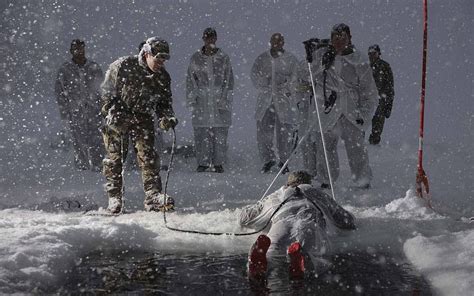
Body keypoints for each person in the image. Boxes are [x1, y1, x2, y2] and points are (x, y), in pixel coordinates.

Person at [100, 37, 178, 214]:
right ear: (147, 53)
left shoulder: (162, 77)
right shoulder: (122, 66)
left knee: (148, 156)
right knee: (115, 157)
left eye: (164, 60)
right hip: (119, 115)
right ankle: (114, 197)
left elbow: (164, 103)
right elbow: (106, 90)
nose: (160, 63)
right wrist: (109, 108)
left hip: (142, 117)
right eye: (158, 59)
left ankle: (153, 195)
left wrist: (167, 117)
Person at [239, 171, 356, 279]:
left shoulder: (276, 194)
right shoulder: (315, 191)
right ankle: (301, 261)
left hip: (281, 223)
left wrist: (248, 208)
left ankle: (261, 264)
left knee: (271, 255)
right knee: (319, 258)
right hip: (308, 223)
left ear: (288, 183)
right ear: (308, 182)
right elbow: (346, 221)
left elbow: (245, 219)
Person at [302, 24, 377, 189]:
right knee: (325, 148)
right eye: (335, 38)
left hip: (351, 112)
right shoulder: (321, 55)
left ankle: (362, 181)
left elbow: (369, 92)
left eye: (343, 37)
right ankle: (325, 180)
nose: (339, 41)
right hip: (327, 110)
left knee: (356, 148)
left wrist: (364, 114)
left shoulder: (359, 60)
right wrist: (318, 61)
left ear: (350, 38)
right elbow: (306, 77)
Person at [186, 27, 234, 173]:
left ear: (216, 38)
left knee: (220, 132)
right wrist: (192, 97)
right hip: (202, 99)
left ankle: (218, 162)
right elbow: (190, 79)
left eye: (212, 37)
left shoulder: (223, 57)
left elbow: (229, 79)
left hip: (219, 97)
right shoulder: (195, 58)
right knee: (201, 131)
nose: (210, 40)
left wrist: (225, 97)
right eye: (207, 37)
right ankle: (203, 162)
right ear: (203, 39)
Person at [251, 33, 299, 174]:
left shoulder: (290, 59)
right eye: (274, 40)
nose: (277, 43)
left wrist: (285, 85)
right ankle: (268, 160)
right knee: (264, 131)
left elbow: (295, 77)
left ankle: (284, 161)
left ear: (283, 42)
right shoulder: (262, 59)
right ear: (270, 42)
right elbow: (254, 75)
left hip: (284, 100)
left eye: (279, 41)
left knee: (284, 132)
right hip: (266, 99)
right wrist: (265, 83)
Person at [55, 39, 104, 171]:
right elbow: (60, 92)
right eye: (76, 49)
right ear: (71, 51)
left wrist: (103, 108)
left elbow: (102, 88)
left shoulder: (93, 67)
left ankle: (98, 164)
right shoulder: (65, 70)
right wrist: (64, 111)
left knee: (96, 138)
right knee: (78, 139)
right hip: (75, 110)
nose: (79, 51)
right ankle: (82, 165)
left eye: (81, 48)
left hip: (94, 110)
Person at [367, 44, 395, 145]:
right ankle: (359, 141)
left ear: (378, 53)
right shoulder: (365, 66)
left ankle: (374, 141)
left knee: (378, 120)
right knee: (361, 120)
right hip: (367, 98)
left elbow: (390, 85)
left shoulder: (384, 66)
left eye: (374, 53)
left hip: (380, 98)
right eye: (370, 54)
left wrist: (389, 101)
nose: (372, 55)